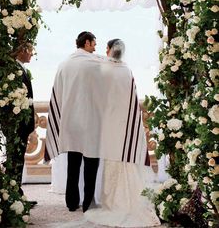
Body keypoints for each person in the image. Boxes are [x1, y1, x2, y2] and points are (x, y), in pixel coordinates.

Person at [84, 39, 161, 227]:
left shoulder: (103, 70)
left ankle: (113, 200)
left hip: (109, 123)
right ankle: (130, 197)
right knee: (126, 160)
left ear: (109, 50)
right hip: (125, 122)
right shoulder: (127, 71)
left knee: (112, 159)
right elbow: (133, 99)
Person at [45, 31, 101, 213]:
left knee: (73, 164)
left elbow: (57, 95)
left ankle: (71, 202)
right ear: (86, 43)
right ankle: (88, 203)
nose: (95, 47)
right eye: (94, 43)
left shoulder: (64, 65)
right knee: (91, 164)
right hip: (90, 120)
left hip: (70, 122)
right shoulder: (96, 63)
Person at [2, 42, 36, 203]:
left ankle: (17, 194)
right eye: (30, 49)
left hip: (21, 125)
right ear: (21, 51)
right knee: (14, 159)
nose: (32, 53)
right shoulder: (14, 70)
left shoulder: (21, 68)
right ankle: (13, 195)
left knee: (18, 160)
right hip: (16, 125)